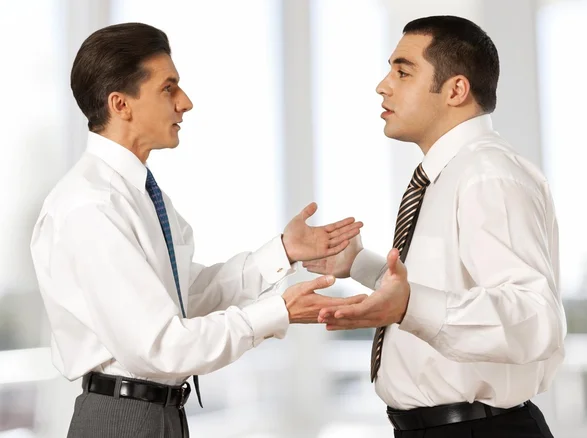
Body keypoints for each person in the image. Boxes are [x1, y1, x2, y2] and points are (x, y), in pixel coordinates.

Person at [30, 22, 366, 438]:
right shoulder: (91, 205)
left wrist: (282, 252)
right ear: (120, 104)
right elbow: (162, 346)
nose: (184, 102)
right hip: (123, 420)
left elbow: (186, 299)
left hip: (157, 414)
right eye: (168, 88)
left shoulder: (138, 194)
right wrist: (278, 312)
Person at [305, 15, 566, 438]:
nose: (382, 85)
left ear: (456, 90)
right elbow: (439, 288)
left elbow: (536, 319)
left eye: (402, 71)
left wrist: (407, 307)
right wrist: (357, 264)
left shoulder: (488, 173)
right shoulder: (448, 174)